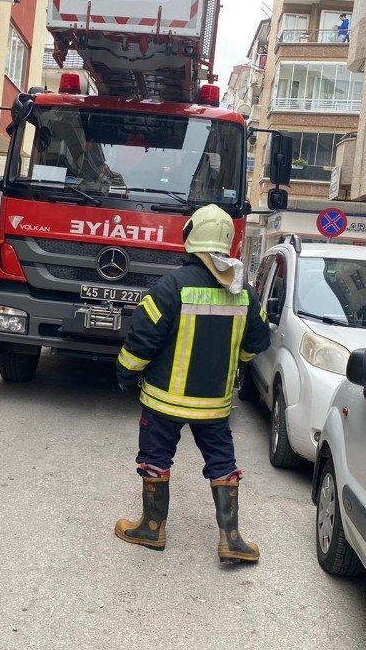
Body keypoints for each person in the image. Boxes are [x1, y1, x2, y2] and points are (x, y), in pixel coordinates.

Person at [114, 204, 271, 563]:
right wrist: (237, 364)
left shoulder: (170, 288)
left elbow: (141, 341)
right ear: (227, 244)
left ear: (190, 238)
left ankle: (152, 530)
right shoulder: (242, 291)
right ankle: (232, 540)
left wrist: (125, 374)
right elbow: (258, 341)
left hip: (163, 401)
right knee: (222, 461)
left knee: (156, 459)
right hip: (214, 404)